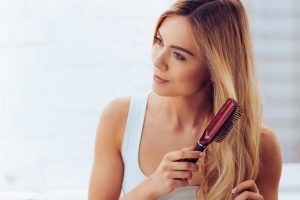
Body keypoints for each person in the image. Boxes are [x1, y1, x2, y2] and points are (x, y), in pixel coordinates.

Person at [88, 0, 282, 199]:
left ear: (215, 68)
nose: (158, 60)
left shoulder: (259, 144)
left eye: (178, 55)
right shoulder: (120, 118)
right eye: (159, 40)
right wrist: (151, 186)